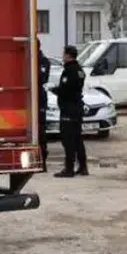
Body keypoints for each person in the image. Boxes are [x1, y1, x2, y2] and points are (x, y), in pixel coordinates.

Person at [51, 45, 89, 178]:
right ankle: (83, 167)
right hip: (77, 108)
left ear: (68, 55)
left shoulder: (69, 71)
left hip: (69, 109)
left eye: (63, 54)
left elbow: (66, 90)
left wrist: (54, 90)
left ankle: (69, 168)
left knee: (68, 139)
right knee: (78, 138)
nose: (62, 56)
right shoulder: (79, 70)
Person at [36, 41, 52, 170]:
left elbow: (42, 78)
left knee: (41, 130)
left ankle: (42, 161)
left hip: (39, 98)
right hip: (29, 96)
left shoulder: (43, 61)